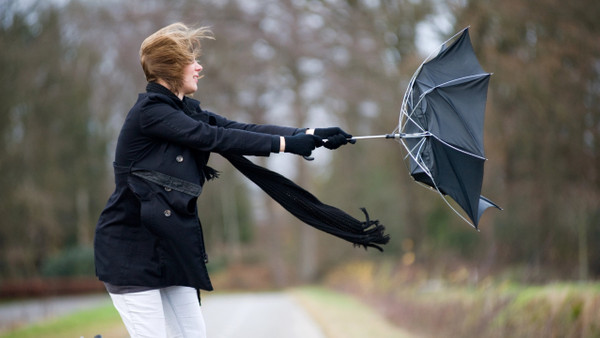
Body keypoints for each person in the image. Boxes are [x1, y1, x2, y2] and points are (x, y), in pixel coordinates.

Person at [93, 22, 353, 337]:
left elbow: (239, 128)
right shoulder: (151, 113)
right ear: (172, 68)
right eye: (191, 61)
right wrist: (286, 145)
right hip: (130, 253)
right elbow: (214, 137)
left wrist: (308, 135)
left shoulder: (183, 110)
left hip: (170, 249)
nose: (199, 67)